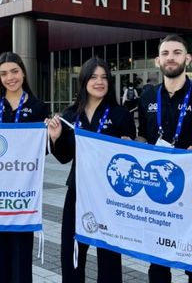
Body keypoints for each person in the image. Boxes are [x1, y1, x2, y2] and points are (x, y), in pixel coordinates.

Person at [136, 34, 192, 283]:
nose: (170, 58)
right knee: (158, 262)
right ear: (157, 61)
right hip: (158, 191)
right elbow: (144, 137)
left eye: (176, 52)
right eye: (165, 53)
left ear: (188, 58)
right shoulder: (148, 97)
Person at [48, 57, 136, 283]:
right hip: (78, 193)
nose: (99, 82)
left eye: (104, 77)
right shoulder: (70, 115)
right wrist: (56, 139)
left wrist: (129, 147)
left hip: (110, 196)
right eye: (94, 77)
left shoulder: (120, 114)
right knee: (72, 252)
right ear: (84, 80)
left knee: (109, 255)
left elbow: (130, 160)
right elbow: (65, 157)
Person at [0, 52, 49, 283]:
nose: (10, 77)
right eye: (4, 73)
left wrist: (51, 135)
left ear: (23, 73)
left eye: (14, 71)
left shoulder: (38, 107)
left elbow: (44, 150)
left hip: (22, 195)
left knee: (21, 256)